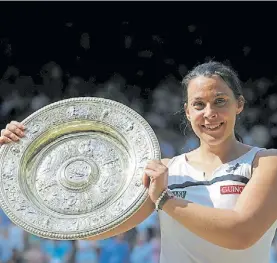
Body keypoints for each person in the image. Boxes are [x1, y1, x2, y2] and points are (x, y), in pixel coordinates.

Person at [1, 61, 277, 263]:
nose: (210, 113)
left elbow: (242, 234)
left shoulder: (266, 163)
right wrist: (19, 157)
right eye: (198, 105)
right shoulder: (166, 170)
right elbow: (92, 228)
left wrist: (165, 200)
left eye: (220, 101)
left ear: (239, 104)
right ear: (187, 111)